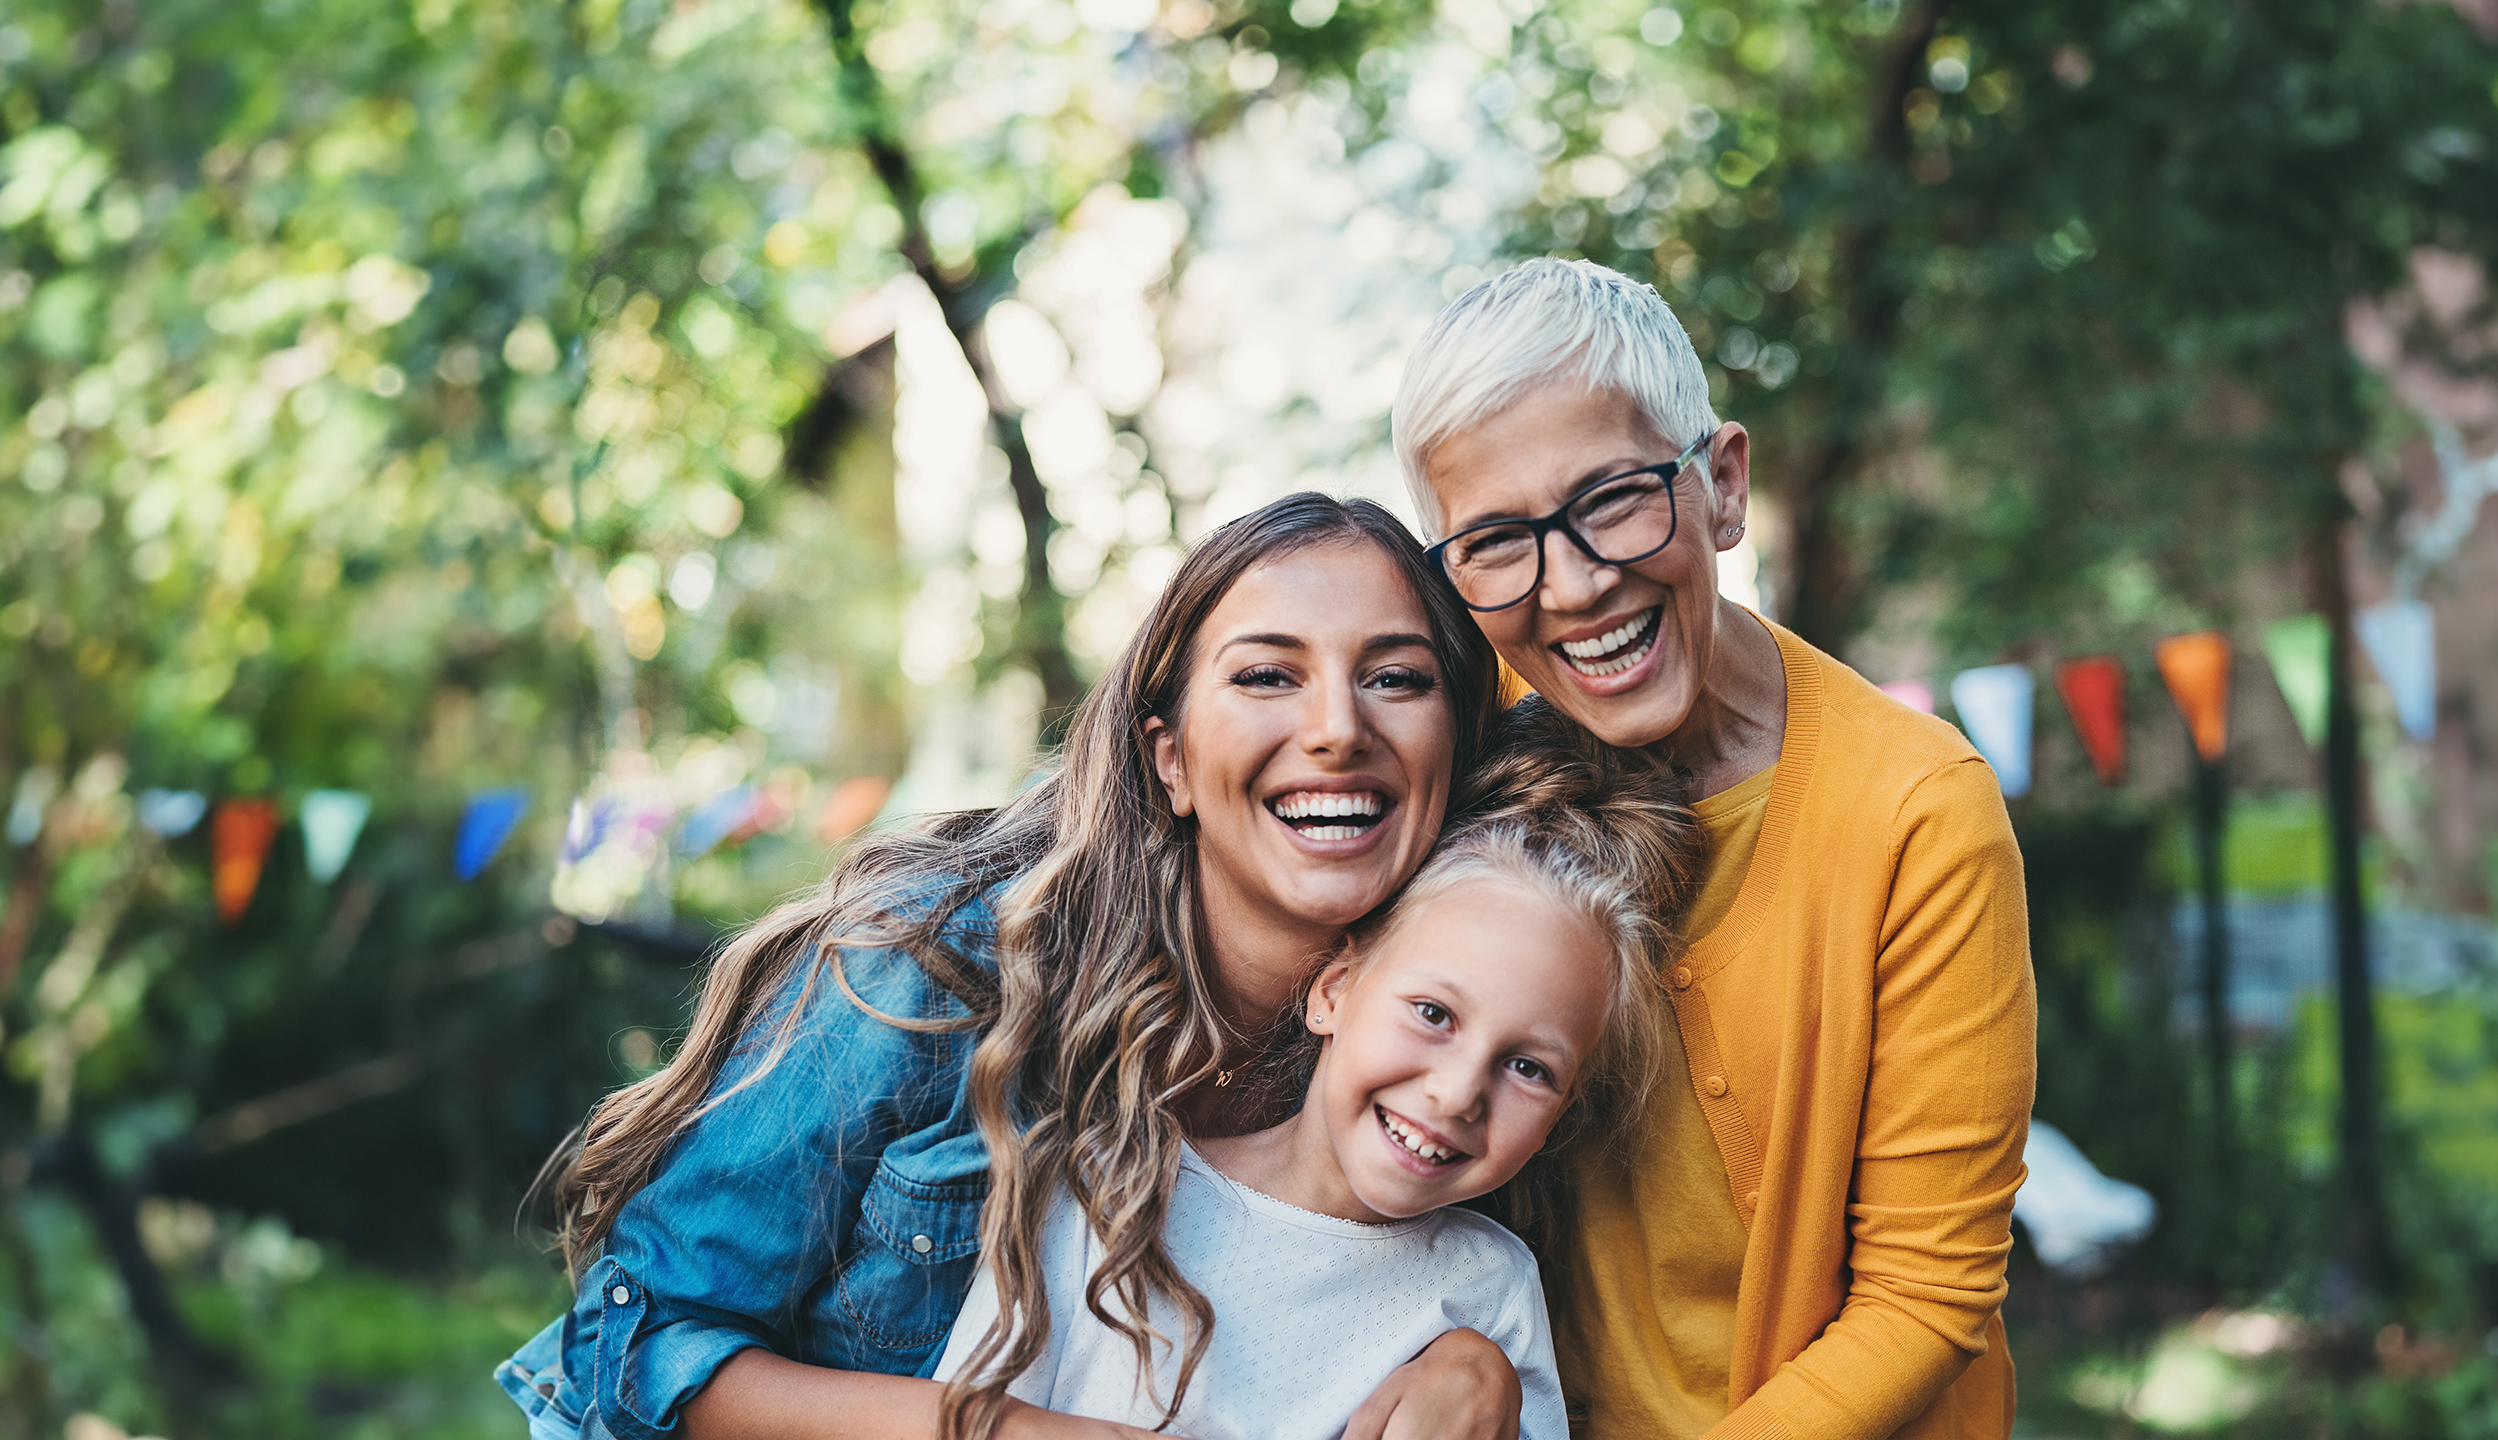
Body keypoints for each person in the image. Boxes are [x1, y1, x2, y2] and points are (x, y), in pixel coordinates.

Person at [495, 494, 1519, 1440]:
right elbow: (631, 1350)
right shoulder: (933, 969)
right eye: (1265, 676)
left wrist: (1476, 1360)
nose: (1338, 729)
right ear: (1169, 757)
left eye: (1397, 678)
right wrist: (1001, 1431)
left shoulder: (1469, 1035)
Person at [1391, 258, 2036, 1440]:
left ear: (1722, 485)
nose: (1573, 587)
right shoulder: (1457, 765)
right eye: (1495, 541)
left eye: (1610, 500)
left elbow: (1923, 1297)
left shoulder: (1914, 811)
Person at [929, 698, 1700, 1440]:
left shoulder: (1490, 1293)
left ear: (1563, 1110)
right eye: (1433, 1014)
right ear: (1334, 991)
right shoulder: (1111, 1188)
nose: (1458, 1093)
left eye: (1529, 1067)